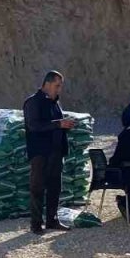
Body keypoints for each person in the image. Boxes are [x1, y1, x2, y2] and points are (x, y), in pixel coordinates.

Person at [23, 71, 76, 234]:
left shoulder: (55, 103)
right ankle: (36, 224)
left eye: (60, 86)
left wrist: (66, 125)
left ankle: (52, 220)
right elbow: (34, 126)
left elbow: (56, 125)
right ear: (47, 84)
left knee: (55, 187)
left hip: (56, 151)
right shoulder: (33, 102)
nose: (59, 89)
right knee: (37, 188)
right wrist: (58, 124)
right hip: (40, 152)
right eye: (57, 86)